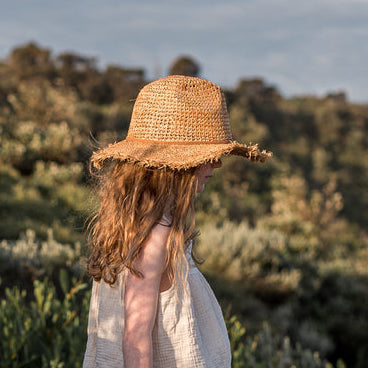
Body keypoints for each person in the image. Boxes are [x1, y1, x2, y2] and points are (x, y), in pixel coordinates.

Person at [82, 75, 271, 368]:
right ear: (178, 167)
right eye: (208, 156)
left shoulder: (146, 224)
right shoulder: (155, 234)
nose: (217, 164)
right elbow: (135, 336)